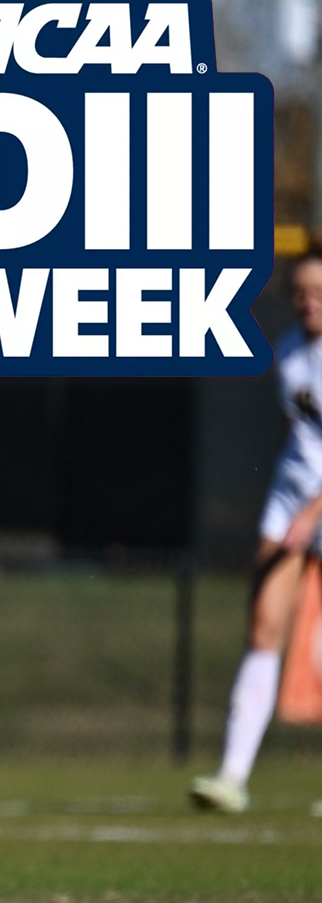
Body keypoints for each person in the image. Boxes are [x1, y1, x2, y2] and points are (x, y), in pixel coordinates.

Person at [190, 248, 322, 815]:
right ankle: (232, 777)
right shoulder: (289, 348)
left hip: (312, 509)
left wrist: (312, 515)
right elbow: (298, 433)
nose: (308, 302)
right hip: (290, 501)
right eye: (300, 292)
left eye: (319, 293)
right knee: (264, 628)